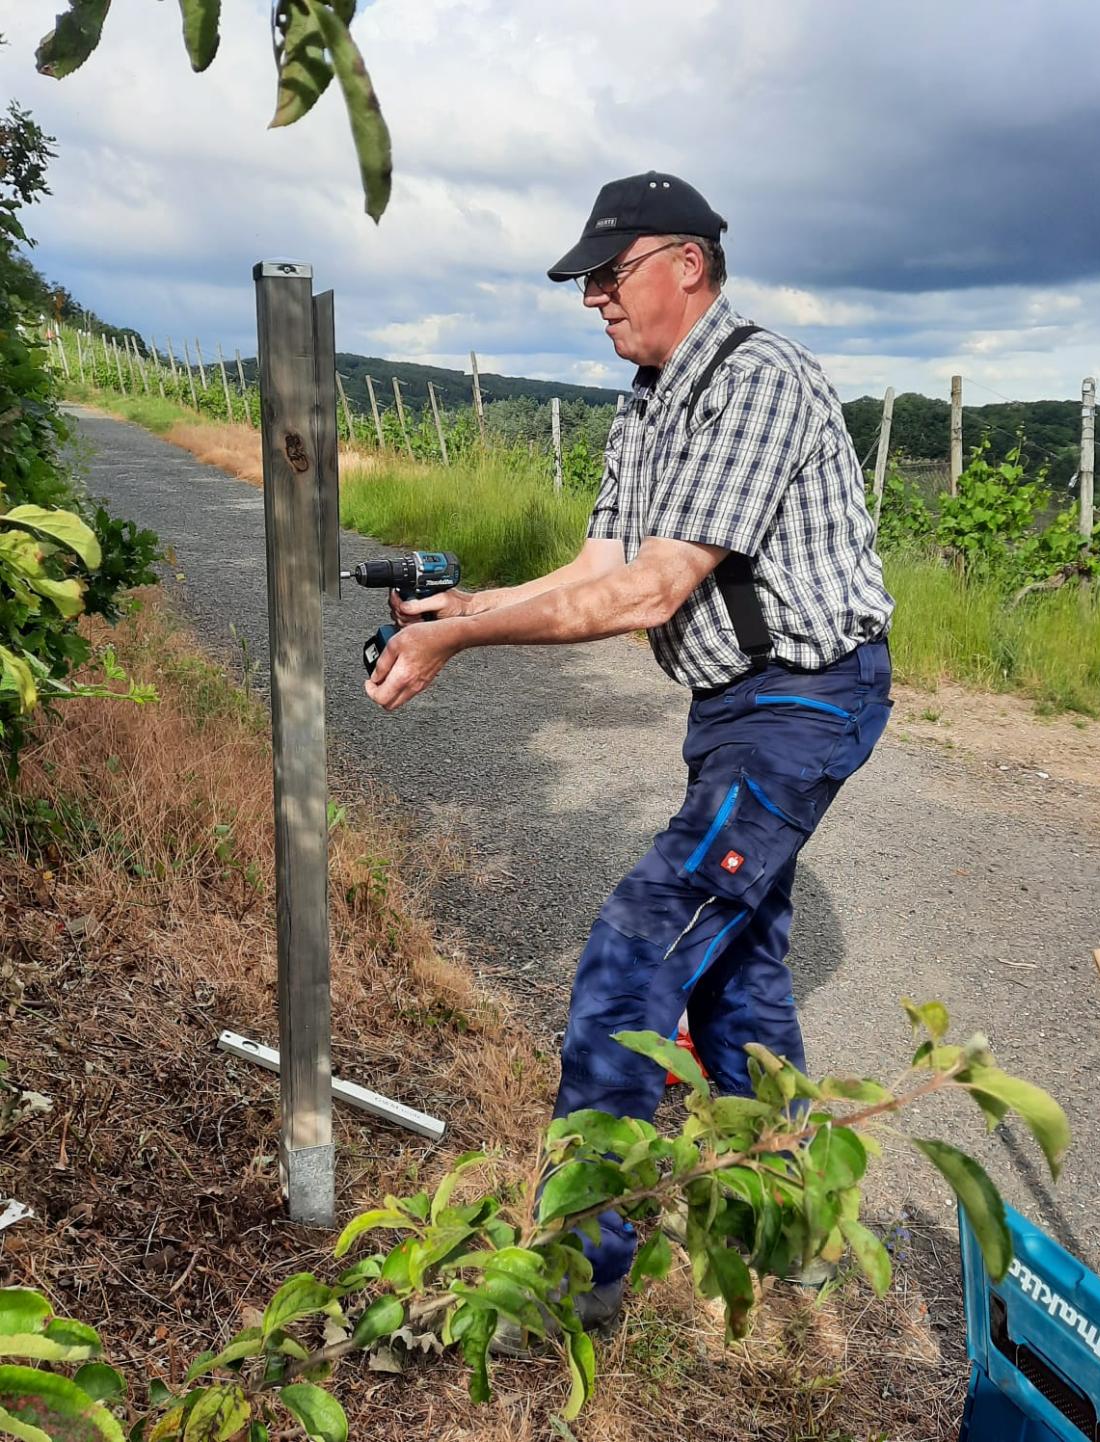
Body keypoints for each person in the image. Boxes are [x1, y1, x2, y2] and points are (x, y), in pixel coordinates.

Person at [366, 171, 894, 1326]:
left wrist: (467, 640)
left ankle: (577, 1273)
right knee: (739, 970)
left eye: (611, 275)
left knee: (635, 952)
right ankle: (788, 1220)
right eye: (586, 284)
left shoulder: (758, 376)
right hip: (737, 706)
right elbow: (602, 562)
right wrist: (464, 608)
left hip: (805, 701)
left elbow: (654, 590)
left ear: (688, 265)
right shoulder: (648, 393)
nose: (594, 299)